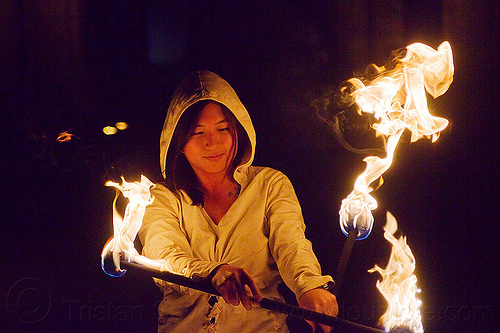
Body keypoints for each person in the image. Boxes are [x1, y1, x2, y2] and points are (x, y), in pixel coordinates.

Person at [139, 70, 338, 333]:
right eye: (198, 133)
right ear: (179, 141)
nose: (213, 142)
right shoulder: (161, 197)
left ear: (238, 131)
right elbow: (163, 256)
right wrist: (214, 273)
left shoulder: (269, 184)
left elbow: (292, 244)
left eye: (223, 129)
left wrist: (310, 286)